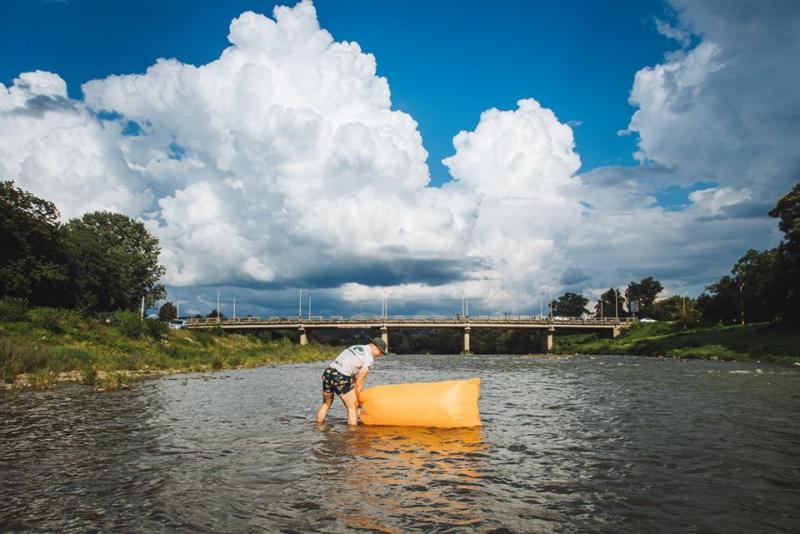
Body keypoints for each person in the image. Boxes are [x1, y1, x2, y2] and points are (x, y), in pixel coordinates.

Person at [316, 337, 387, 425]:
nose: (379, 355)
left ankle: (318, 428)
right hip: (340, 376)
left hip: (329, 372)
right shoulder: (369, 359)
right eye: (380, 353)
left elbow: (352, 371)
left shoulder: (356, 347)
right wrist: (357, 401)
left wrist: (352, 387)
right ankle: (352, 435)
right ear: (376, 347)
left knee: (326, 404)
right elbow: (359, 383)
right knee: (352, 408)